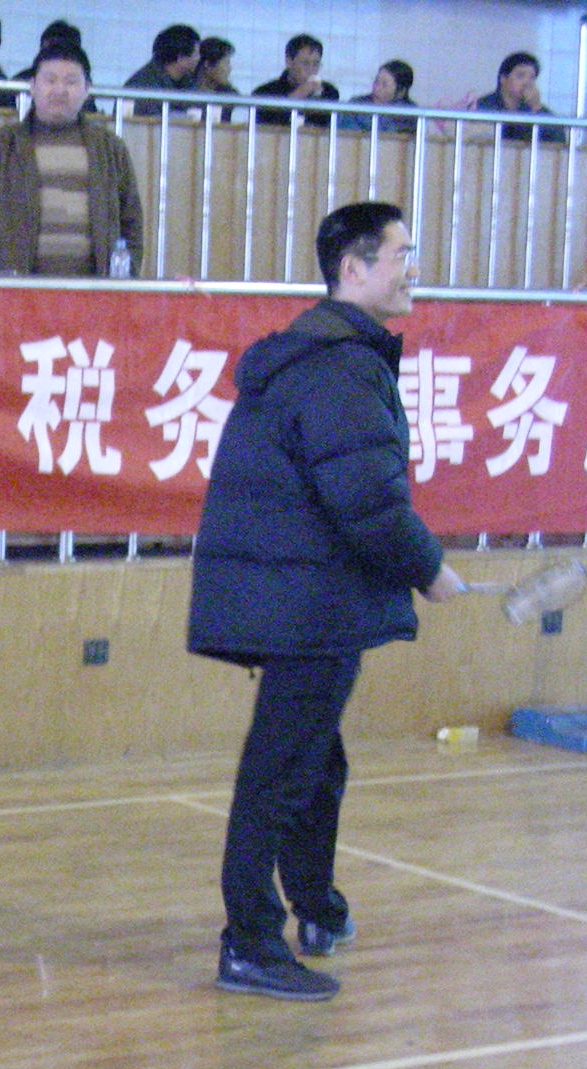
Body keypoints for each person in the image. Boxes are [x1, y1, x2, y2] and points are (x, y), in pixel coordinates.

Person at [187, 202, 465, 1002]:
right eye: (401, 255)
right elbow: (368, 500)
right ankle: (248, 944)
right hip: (308, 605)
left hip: (303, 599)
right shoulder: (340, 366)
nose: (413, 271)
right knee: (280, 773)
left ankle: (316, 908)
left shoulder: (321, 354)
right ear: (353, 269)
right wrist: (430, 569)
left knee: (315, 765)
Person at [0, 40, 144, 277]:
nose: (60, 90)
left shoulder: (111, 149)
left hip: (95, 288)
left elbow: (132, 221)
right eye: (50, 80)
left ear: (87, 89)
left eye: (71, 81)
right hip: (15, 289)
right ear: (32, 86)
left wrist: (125, 278)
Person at [477, 52, 567, 145]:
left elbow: (559, 140)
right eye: (520, 76)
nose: (527, 83)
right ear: (503, 79)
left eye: (532, 78)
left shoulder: (532, 108)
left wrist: (537, 108)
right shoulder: (484, 107)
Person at [253, 34, 340, 129]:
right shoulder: (264, 93)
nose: (311, 69)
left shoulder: (329, 92)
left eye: (316, 64)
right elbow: (268, 125)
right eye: (305, 63)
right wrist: (300, 94)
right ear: (289, 62)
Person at [122, 24, 200, 116]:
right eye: (196, 54)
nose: (198, 58)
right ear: (181, 58)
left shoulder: (188, 82)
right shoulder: (142, 87)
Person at [342, 60, 418, 136]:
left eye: (384, 84)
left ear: (401, 91)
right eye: (376, 81)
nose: (376, 87)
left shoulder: (410, 114)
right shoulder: (357, 105)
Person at [192, 38, 240, 123]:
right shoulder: (187, 91)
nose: (229, 69)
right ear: (207, 64)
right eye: (226, 63)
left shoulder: (229, 96)